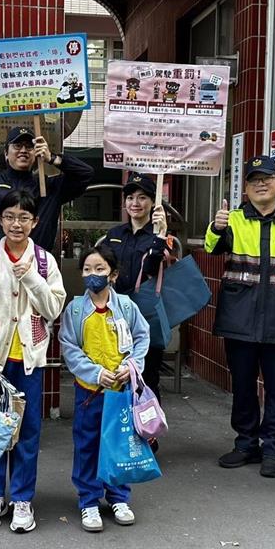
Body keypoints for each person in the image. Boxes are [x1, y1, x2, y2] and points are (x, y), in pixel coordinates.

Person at [205, 156, 275, 479]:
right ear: (246, 188)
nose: (261, 184)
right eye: (254, 180)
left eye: (267, 178)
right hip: (239, 319)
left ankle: (273, 447)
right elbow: (212, 248)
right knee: (242, 386)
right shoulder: (234, 220)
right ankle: (246, 443)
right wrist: (216, 227)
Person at [0, 190, 67, 533]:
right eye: (10, 216)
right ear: (0, 219)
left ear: (35, 222)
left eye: (24, 217)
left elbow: (54, 308)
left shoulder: (45, 261)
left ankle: (22, 499)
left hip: (30, 362)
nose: (16, 224)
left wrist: (30, 276)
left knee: (27, 434)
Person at [59, 244, 150, 533]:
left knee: (120, 444)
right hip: (90, 391)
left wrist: (131, 367)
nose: (93, 275)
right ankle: (88, 500)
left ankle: (119, 498)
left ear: (113, 274)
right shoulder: (75, 310)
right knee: (87, 446)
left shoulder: (125, 306)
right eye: (87, 269)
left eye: (100, 269)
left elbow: (142, 337)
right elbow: (70, 348)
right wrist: (96, 373)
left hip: (121, 391)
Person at [0, 108, 94, 252]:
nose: (24, 151)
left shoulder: (50, 187)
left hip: (35, 268)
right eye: (17, 145)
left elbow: (85, 174)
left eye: (29, 146)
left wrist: (52, 158)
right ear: (6, 153)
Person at [100, 173, 170, 449]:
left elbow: (153, 268)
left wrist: (161, 235)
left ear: (153, 202)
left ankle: (148, 435)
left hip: (144, 317)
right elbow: (102, 266)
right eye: (130, 197)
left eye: (142, 197)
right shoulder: (115, 234)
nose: (135, 203)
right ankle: (118, 433)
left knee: (147, 378)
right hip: (116, 317)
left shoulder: (160, 236)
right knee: (115, 375)